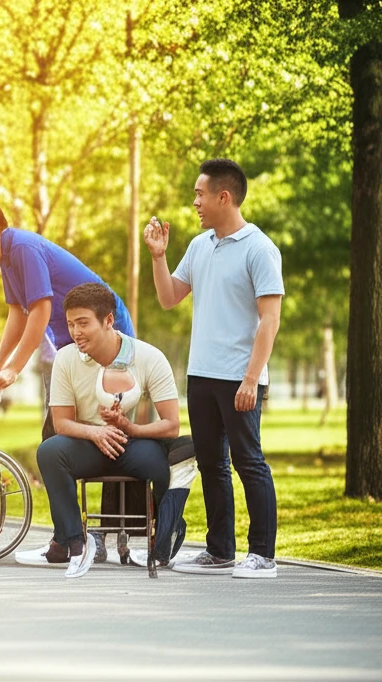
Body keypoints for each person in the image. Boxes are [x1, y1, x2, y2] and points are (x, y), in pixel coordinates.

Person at [144, 158, 284, 579]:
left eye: (200, 194)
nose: (195, 202)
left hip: (240, 377)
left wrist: (250, 377)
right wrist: (158, 256)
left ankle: (263, 554)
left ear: (224, 196)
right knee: (211, 464)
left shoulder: (260, 248)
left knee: (249, 462)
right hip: (201, 375)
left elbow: (270, 319)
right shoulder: (200, 245)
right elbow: (170, 297)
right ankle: (220, 550)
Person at [15, 283, 179, 578]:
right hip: (88, 444)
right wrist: (96, 433)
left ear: (108, 321)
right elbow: (62, 423)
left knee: (164, 467)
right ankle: (77, 544)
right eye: (70, 324)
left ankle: (161, 543)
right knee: (50, 451)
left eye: (83, 323)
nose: (76, 332)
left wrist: (129, 427)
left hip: (132, 443)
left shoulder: (148, 357)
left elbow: (171, 425)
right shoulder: (66, 358)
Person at [0, 196, 134, 440]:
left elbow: (40, 310)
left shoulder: (23, 248)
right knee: (59, 431)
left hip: (106, 332)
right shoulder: (7, 258)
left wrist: (14, 369)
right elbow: (18, 313)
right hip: (75, 346)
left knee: (95, 424)